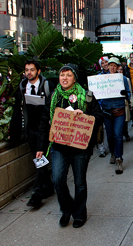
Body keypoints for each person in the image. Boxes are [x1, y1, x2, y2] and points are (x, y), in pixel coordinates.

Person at [36, 64, 103, 228]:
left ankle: (79, 214)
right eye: (62, 75)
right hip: (59, 146)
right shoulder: (53, 97)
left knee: (79, 182)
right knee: (58, 180)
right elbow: (45, 123)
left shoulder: (86, 96)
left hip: (80, 148)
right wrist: (41, 147)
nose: (64, 78)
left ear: (75, 78)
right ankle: (66, 209)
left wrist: (85, 117)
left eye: (68, 75)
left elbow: (99, 116)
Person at [9, 59, 55, 208]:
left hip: (45, 129)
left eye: (32, 70)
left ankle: (37, 194)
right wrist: (14, 133)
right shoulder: (23, 87)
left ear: (38, 71)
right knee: (38, 161)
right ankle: (48, 188)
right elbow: (17, 110)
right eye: (27, 70)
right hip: (31, 130)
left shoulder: (47, 86)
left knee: (39, 159)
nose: (29, 72)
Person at [99, 57, 131, 174]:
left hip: (119, 110)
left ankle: (119, 159)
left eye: (115, 65)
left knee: (118, 135)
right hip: (107, 110)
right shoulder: (102, 78)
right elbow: (96, 91)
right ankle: (112, 152)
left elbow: (128, 93)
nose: (112, 67)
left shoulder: (122, 79)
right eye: (110, 65)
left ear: (118, 67)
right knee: (110, 135)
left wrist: (124, 94)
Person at [97, 56, 110, 157]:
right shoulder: (98, 77)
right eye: (103, 63)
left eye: (106, 62)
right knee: (101, 128)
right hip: (101, 105)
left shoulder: (114, 75)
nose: (105, 64)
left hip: (112, 105)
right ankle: (102, 148)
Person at [118, 64, 133, 141]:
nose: (120, 71)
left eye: (121, 69)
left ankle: (126, 133)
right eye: (118, 69)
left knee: (125, 120)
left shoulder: (126, 79)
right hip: (116, 103)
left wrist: (131, 102)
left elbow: (129, 90)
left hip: (124, 102)